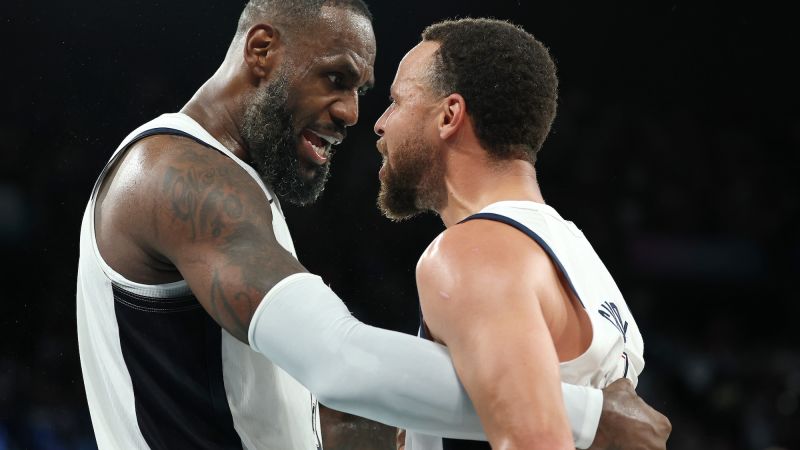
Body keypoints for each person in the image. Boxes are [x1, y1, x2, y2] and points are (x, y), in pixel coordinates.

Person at [76, 1, 670, 448]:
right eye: (337, 78)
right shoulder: (178, 175)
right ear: (261, 51)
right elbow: (339, 362)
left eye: (369, 92)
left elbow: (310, 417)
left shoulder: (235, 190)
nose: (357, 115)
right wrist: (589, 417)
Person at [373, 18, 671, 450]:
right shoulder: (572, 249)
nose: (381, 124)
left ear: (449, 115)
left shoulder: (472, 253)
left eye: (396, 101)